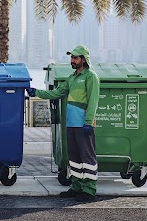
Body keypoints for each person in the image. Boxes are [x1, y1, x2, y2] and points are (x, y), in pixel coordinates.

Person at [28, 45, 100, 202]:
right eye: (71, 58)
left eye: (75, 58)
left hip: (83, 125)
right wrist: (36, 92)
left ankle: (89, 189)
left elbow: (93, 101)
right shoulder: (72, 78)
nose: (72, 60)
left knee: (87, 157)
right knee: (74, 157)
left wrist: (88, 122)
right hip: (71, 124)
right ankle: (76, 186)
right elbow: (57, 93)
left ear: (84, 59)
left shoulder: (91, 76)